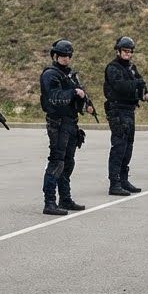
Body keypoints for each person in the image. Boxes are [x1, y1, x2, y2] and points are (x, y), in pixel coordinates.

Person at [40, 39, 94, 215]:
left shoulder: (70, 75)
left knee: (68, 163)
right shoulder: (50, 75)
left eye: (68, 56)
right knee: (57, 161)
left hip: (71, 122)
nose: (65, 58)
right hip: (58, 123)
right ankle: (49, 201)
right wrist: (73, 93)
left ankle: (65, 198)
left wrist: (86, 102)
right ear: (55, 56)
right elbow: (54, 97)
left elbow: (81, 92)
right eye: (62, 55)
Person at [103, 36, 148, 196]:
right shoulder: (113, 68)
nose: (127, 54)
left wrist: (144, 93)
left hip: (129, 110)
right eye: (125, 51)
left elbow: (140, 82)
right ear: (118, 51)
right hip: (117, 111)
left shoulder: (131, 68)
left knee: (128, 146)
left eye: (130, 52)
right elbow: (120, 86)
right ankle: (114, 182)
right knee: (119, 146)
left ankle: (123, 179)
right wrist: (137, 85)